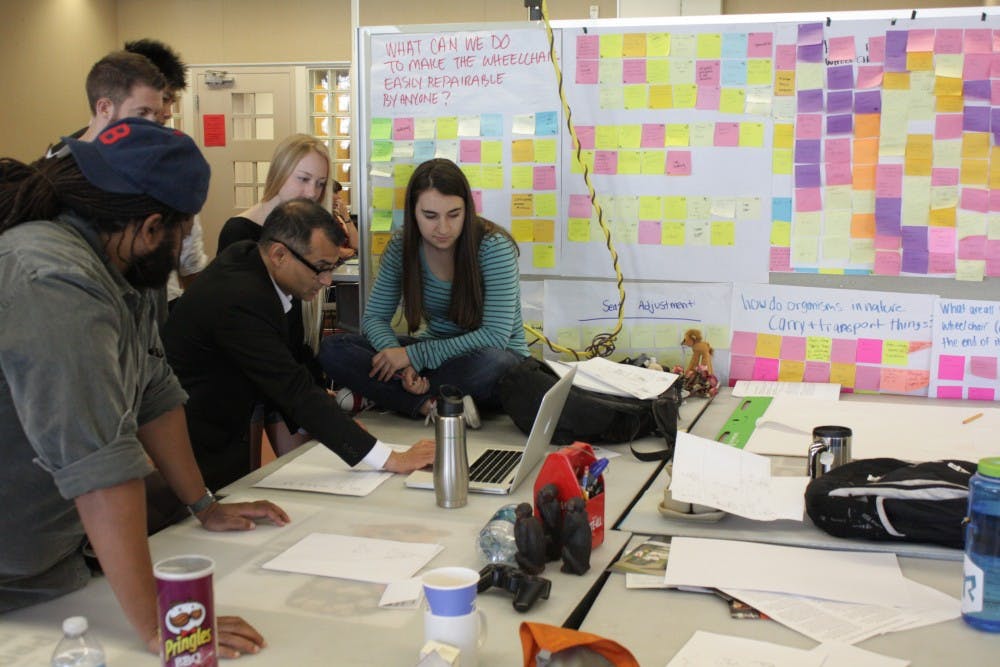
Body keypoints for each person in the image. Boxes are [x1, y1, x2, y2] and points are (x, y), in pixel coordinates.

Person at [0, 117, 289, 658]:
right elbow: (101, 465)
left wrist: (203, 504)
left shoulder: (120, 263)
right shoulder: (55, 281)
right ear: (153, 226)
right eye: (183, 230)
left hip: (48, 568)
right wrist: (163, 621)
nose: (184, 245)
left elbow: (154, 388)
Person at [163, 198, 435, 491]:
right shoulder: (242, 299)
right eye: (320, 268)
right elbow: (292, 389)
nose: (328, 280)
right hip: (192, 439)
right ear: (280, 254)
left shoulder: (251, 262)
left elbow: (293, 357)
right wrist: (389, 458)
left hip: (218, 422)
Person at [318, 158, 529, 422]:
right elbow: (374, 318)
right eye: (430, 216)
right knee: (334, 348)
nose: (443, 228)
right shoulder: (401, 247)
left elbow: (495, 337)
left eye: (454, 214)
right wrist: (399, 359)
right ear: (413, 212)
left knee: (497, 364)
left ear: (468, 209)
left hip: (486, 362)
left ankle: (394, 395)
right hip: (433, 358)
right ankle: (428, 403)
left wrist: (412, 357)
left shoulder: (493, 246)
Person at [216, 134, 353, 454]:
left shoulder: (310, 232)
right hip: (249, 376)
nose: (311, 192)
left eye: (320, 183)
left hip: (288, 371)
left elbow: (296, 326)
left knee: (304, 467)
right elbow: (244, 327)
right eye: (303, 179)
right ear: (279, 174)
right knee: (245, 480)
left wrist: (312, 384)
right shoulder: (240, 232)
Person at [124, 38, 209, 305]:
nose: (167, 112)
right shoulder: (74, 170)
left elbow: (190, 262)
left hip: (162, 309)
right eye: (165, 100)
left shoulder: (169, 168)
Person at [42, 51, 165, 158]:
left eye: (155, 113)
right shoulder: (59, 173)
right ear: (104, 108)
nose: (153, 123)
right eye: (142, 113)